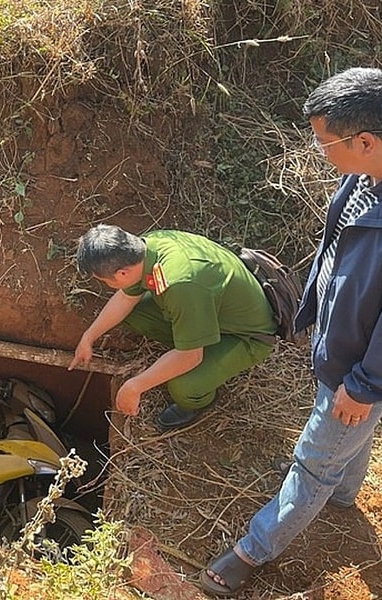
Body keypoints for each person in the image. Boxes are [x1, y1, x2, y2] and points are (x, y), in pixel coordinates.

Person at [201, 66, 382, 597]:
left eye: (326, 142)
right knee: (352, 432)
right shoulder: (364, 179)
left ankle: (249, 553)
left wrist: (365, 384)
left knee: (313, 464)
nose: (321, 152)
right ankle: (346, 493)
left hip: (359, 368)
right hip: (346, 353)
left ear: (366, 140)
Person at [69, 225, 277, 429]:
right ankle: (189, 337)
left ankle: (197, 401)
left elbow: (191, 357)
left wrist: (134, 387)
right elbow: (125, 299)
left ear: (122, 273)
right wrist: (88, 337)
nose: (107, 285)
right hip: (206, 309)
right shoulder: (145, 248)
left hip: (245, 336)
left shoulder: (181, 284)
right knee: (135, 312)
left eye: (105, 281)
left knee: (184, 386)